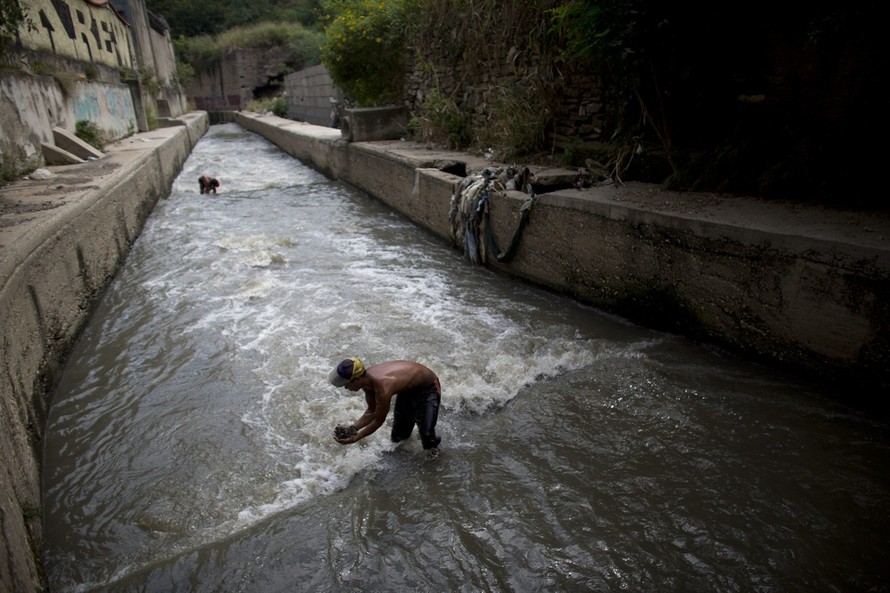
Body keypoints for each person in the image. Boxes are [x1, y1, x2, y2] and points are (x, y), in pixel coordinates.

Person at [329, 357, 442, 456]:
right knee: (399, 437)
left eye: (346, 384)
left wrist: (355, 438)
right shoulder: (366, 382)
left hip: (428, 388)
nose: (346, 388)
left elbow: (378, 420)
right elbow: (372, 410)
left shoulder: (383, 388)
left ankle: (435, 458)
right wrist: (352, 429)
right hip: (407, 390)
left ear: (357, 379)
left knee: (427, 435)